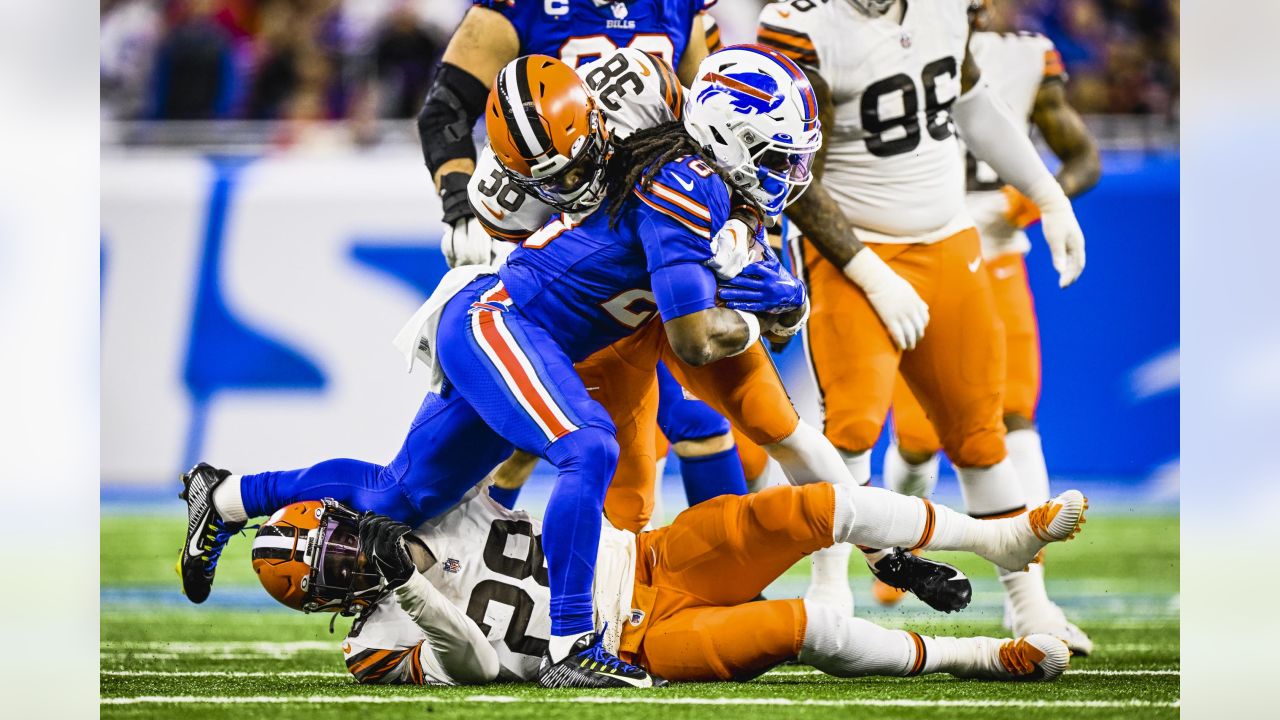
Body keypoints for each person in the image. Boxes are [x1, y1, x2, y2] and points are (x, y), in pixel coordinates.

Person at [179, 45, 819, 689]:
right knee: (588, 444)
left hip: (504, 321)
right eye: (775, 152)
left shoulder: (680, 161)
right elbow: (693, 340)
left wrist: (769, 291)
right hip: (504, 321)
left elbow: (729, 285)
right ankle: (573, 648)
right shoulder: (685, 184)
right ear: (729, 139)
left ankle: (226, 496)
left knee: (398, 496)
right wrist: (767, 313)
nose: (787, 170)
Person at [756, 0, 1090, 652]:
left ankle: (1029, 606)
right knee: (850, 428)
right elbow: (796, 178)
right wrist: (872, 275)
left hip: (948, 244)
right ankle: (829, 591)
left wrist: (1048, 195)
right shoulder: (803, 23)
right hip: (854, 249)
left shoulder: (944, 10)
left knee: (980, 435)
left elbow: (973, 109)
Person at [420, 0, 750, 535]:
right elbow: (446, 109)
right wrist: (459, 204)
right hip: (561, 249)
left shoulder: (676, 6)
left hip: (661, 235)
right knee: (522, 437)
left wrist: (742, 220)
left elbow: (716, 115)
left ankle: (731, 588)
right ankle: (465, 563)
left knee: (698, 414)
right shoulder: (520, 8)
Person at [249, 481, 1085, 685]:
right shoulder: (371, 649)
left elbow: (506, 446)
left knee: (811, 508)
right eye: (340, 566)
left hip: (651, 558)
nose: (358, 551)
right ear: (328, 599)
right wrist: (409, 593)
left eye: (343, 536)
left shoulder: (434, 500)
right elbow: (476, 664)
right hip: (631, 643)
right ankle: (981, 655)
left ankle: (1002, 538)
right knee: (805, 631)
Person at [875, 1, 1100, 653]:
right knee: (915, 441)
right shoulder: (881, 40)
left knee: (1013, 419)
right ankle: (896, 552)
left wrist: (1029, 197)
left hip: (996, 259)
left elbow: (1082, 157)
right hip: (915, 253)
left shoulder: (1027, 54)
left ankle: (1033, 601)